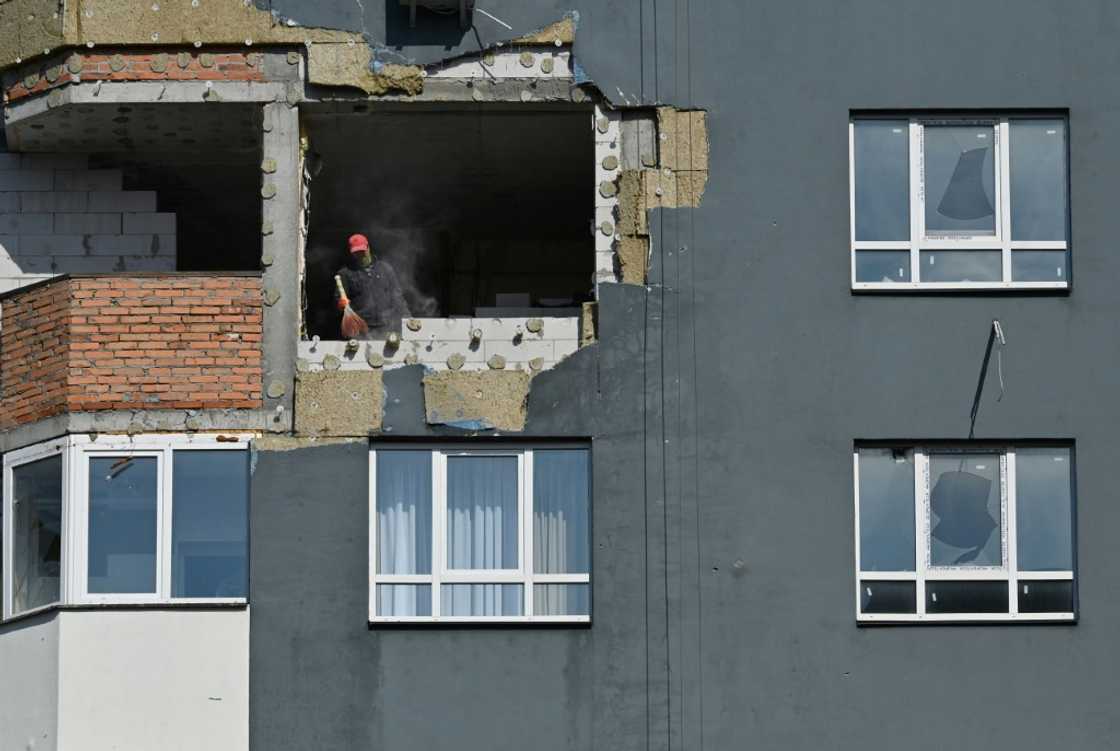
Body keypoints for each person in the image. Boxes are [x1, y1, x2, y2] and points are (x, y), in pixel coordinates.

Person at [334, 233, 411, 339]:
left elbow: (398, 297)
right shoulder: (345, 274)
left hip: (387, 327)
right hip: (361, 331)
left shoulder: (385, 269)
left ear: (368, 247)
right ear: (352, 253)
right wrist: (340, 304)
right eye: (357, 253)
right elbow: (338, 302)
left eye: (362, 251)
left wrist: (408, 318)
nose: (360, 255)